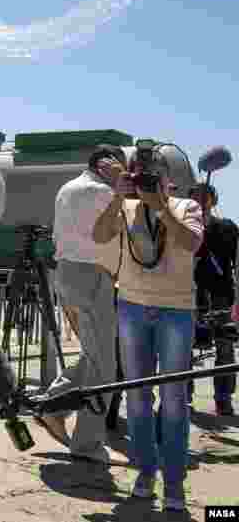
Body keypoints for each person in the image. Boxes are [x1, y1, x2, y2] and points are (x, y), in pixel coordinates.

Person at [93, 148, 204, 512]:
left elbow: (191, 242)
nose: (145, 184)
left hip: (176, 311)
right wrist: (116, 196)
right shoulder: (124, 208)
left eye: (151, 178)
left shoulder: (187, 207)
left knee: (174, 399)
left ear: (167, 180)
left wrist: (160, 206)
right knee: (137, 396)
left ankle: (173, 481)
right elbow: (99, 235)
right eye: (140, 177)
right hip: (132, 307)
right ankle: (145, 471)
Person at [37, 145, 128, 465]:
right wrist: (123, 191)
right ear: (105, 165)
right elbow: (119, 230)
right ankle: (87, 445)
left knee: (95, 358)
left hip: (70, 273)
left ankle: (51, 405)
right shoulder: (100, 191)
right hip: (93, 276)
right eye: (121, 166)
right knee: (105, 367)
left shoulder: (69, 187)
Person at [190, 182, 238, 415]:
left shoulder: (228, 227)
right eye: (195, 196)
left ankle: (223, 398)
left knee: (225, 349)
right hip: (188, 295)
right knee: (182, 350)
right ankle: (184, 399)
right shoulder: (184, 227)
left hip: (221, 296)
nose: (200, 200)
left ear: (213, 200)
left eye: (204, 196)